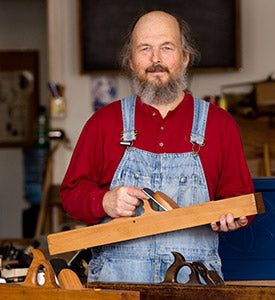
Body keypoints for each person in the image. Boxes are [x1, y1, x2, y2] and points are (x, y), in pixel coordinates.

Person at [60, 10, 254, 284]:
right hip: (117, 288)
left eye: (166, 47)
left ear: (185, 58)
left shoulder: (219, 125)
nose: (156, 59)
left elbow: (241, 199)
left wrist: (236, 216)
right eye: (145, 49)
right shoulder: (103, 123)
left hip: (194, 285)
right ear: (130, 61)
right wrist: (104, 201)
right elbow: (71, 194)